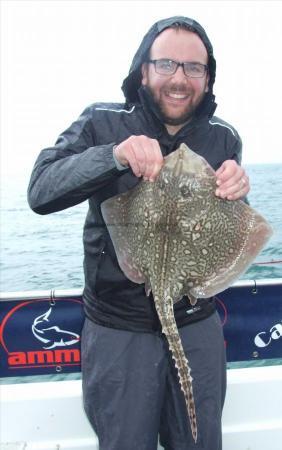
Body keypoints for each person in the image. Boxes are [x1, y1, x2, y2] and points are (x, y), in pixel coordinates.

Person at [28, 16, 250, 450]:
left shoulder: (224, 138)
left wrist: (237, 193)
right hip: (118, 330)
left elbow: (227, 229)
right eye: (166, 64)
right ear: (143, 69)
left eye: (194, 68)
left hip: (195, 319)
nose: (180, 78)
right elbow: (41, 191)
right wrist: (112, 157)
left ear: (208, 78)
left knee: (202, 442)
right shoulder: (102, 122)